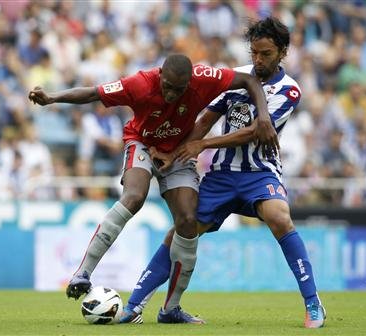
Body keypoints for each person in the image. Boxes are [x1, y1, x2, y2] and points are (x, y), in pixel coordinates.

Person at [28, 53, 277, 323]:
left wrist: (263, 116)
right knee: (134, 197)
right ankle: (83, 273)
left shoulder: (206, 78)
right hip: (142, 144)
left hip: (178, 153)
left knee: (187, 221)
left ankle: (171, 309)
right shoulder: (139, 84)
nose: (171, 93)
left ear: (189, 83)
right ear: (160, 75)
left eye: (178, 89)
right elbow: (92, 93)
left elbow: (250, 80)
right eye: (167, 86)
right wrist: (52, 97)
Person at [123, 18, 326, 328]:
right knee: (181, 230)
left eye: (266, 54)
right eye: (255, 53)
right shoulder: (237, 77)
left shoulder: (290, 90)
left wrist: (203, 145)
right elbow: (204, 121)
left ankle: (313, 304)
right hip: (221, 175)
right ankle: (135, 305)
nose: (258, 60)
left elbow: (257, 131)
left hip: (260, 172)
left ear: (282, 52)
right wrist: (175, 152)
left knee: (280, 217)